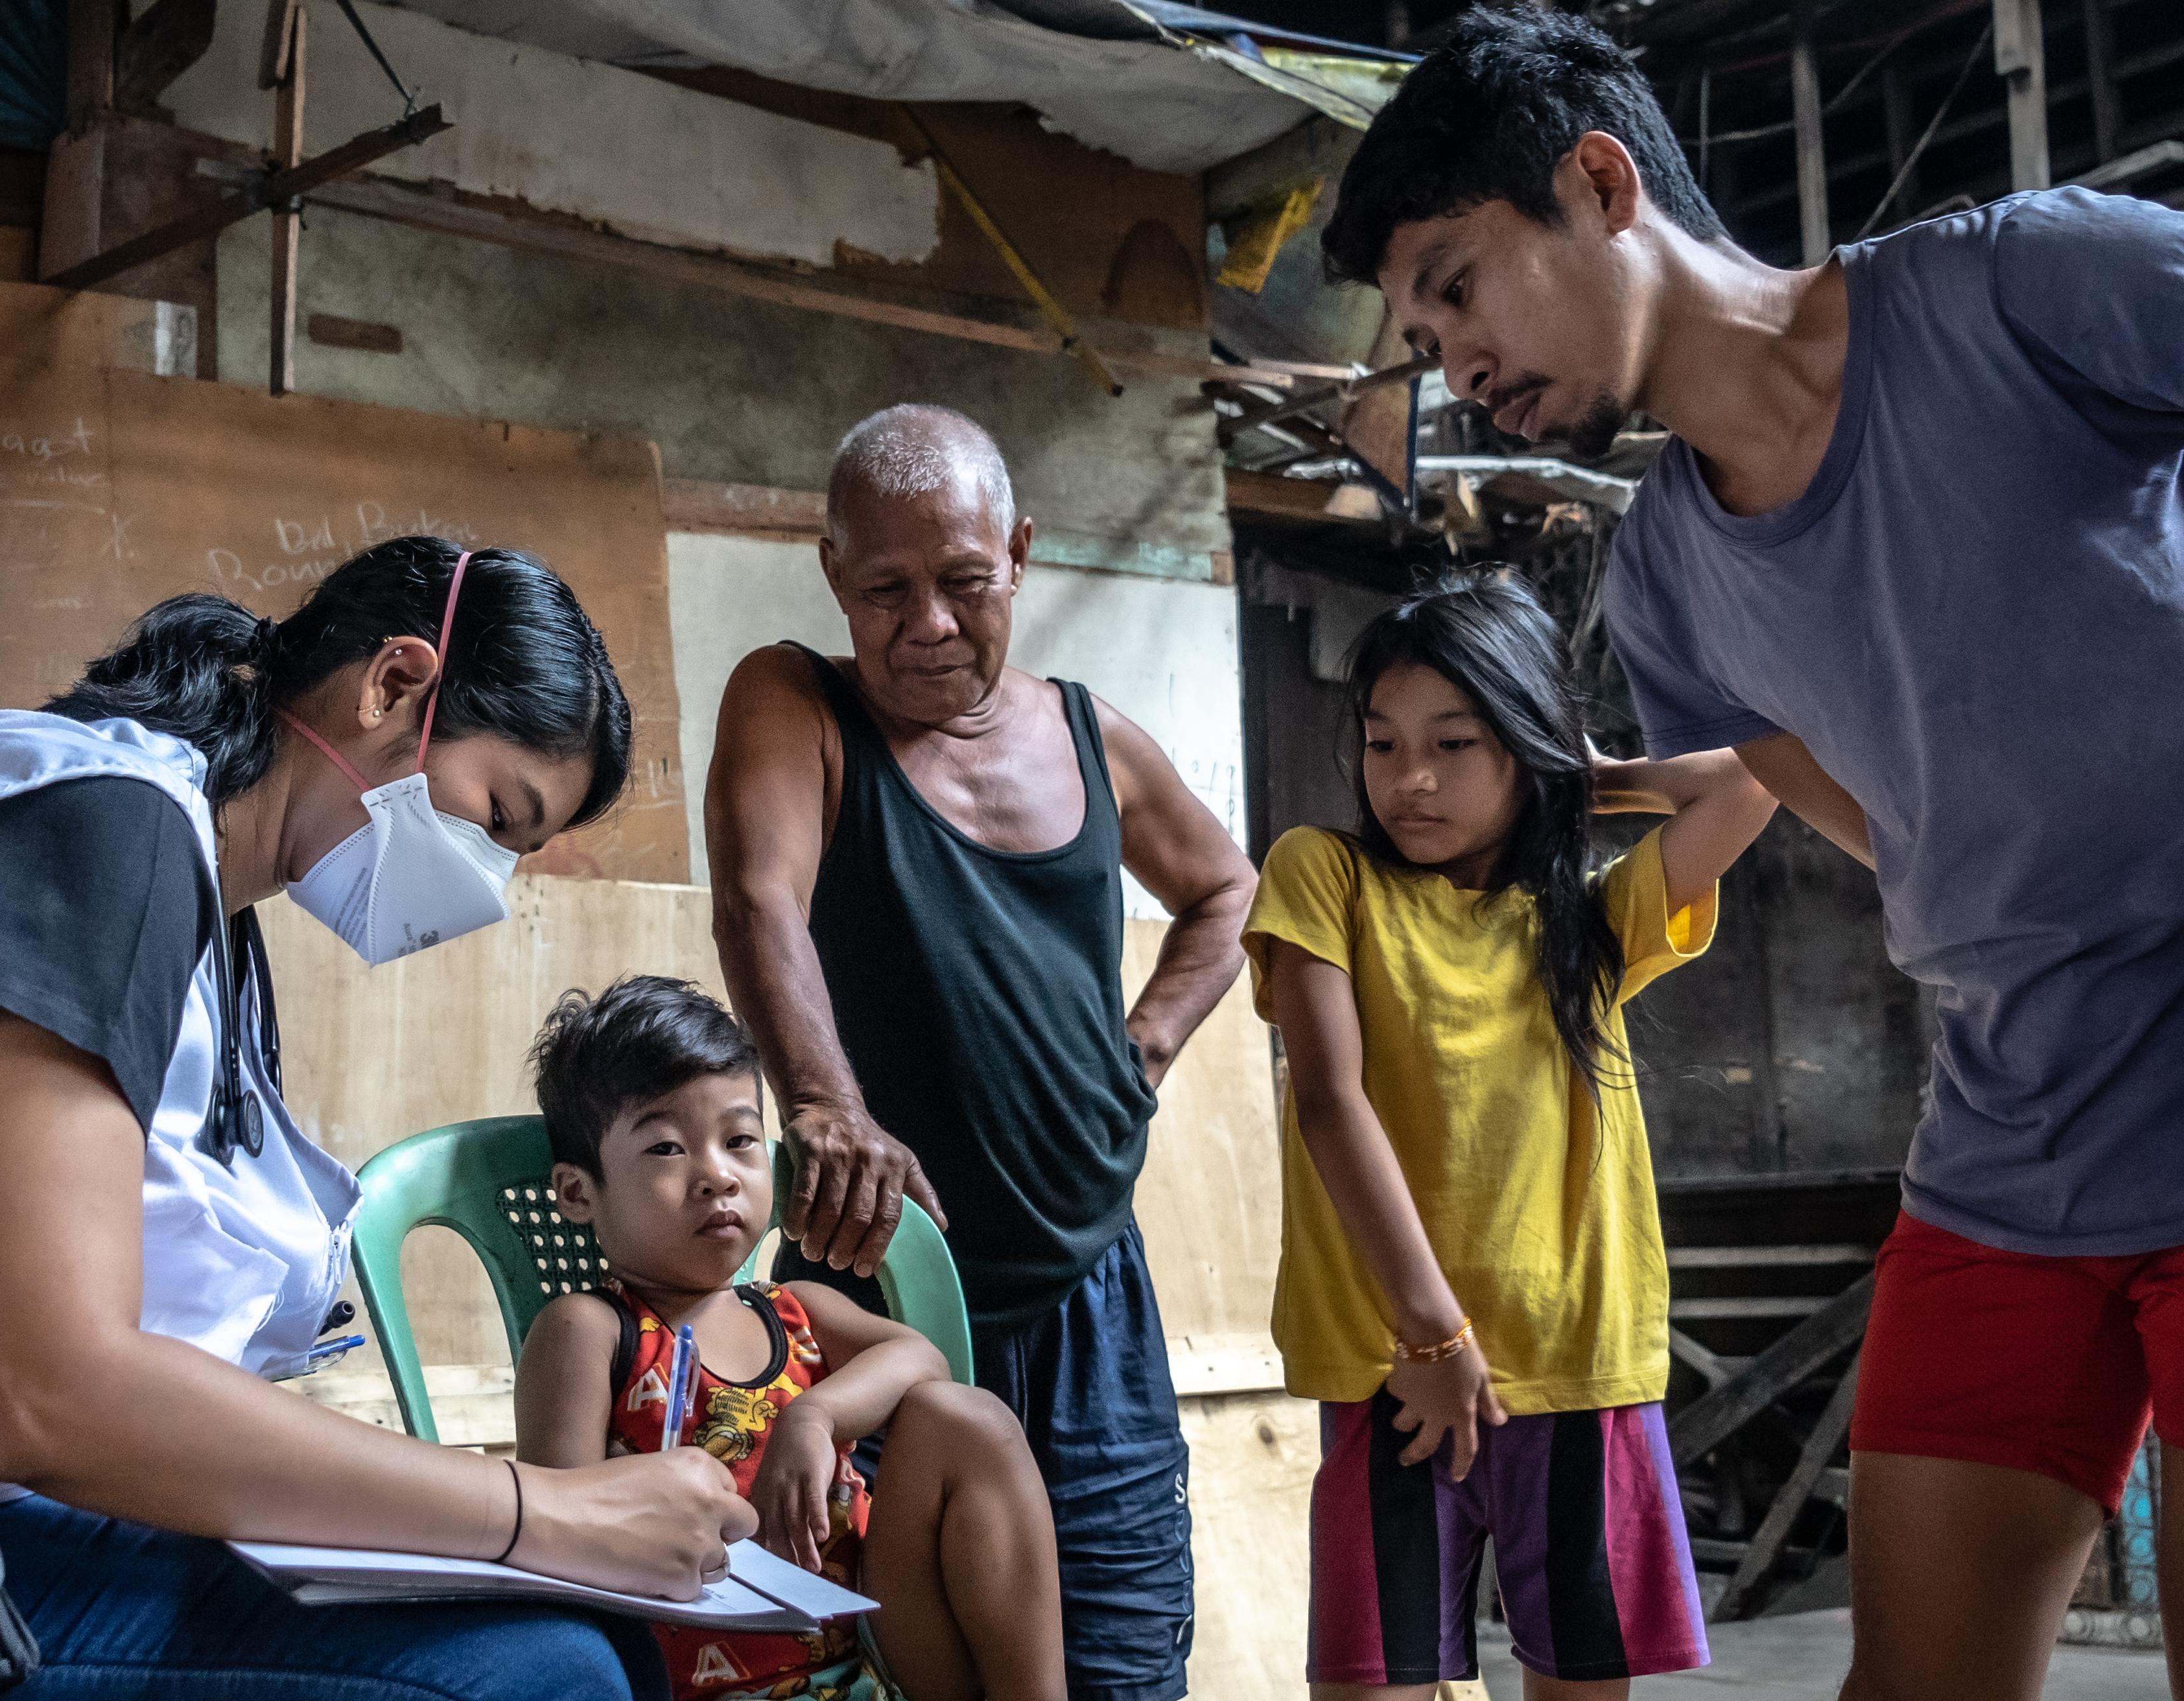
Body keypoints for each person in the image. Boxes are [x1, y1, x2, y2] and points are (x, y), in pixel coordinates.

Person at [1322, 10, 2184, 1700]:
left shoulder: (2010, 288)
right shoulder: (1666, 590)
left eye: (1460, 282)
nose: (1450, 358)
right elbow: (1887, 822)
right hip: (2015, 1138)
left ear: (1600, 180)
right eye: (1421, 330)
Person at [0, 537, 755, 1700]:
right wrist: (540, 1507)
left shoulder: (198, 896)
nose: (483, 883)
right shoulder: (96, 830)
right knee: (536, 1672)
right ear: (394, 686)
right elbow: (44, 1387)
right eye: (493, 816)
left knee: (593, 1632)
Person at [706, 404, 1256, 1701]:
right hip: (879, 1309)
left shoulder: (1091, 734)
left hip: (1092, 1299)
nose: (930, 621)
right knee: (888, 1676)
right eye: (887, 588)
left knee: (1120, 1665)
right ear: (835, 573)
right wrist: (825, 1102)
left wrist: (1146, 1051)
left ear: (1019, 553)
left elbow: (1228, 893)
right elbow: (756, 898)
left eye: (962, 580)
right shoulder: (796, 701)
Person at [1244, 576, 1775, 1698]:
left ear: (1523, 746)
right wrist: (1434, 1338)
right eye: (1383, 742)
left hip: (1576, 1360)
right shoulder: (1323, 873)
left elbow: (1745, 778)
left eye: (1456, 742)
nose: (1409, 778)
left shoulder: (1585, 916)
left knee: (1579, 1681)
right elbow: (1332, 1100)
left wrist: (1573, 776)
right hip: (1394, 1366)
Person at [515, 974, 1068, 1701]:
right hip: (685, 1679)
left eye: (739, 1139)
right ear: (579, 1192)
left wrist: (814, 1415)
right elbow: (555, 1543)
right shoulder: (591, 1330)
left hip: (872, 1657)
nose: (717, 1175)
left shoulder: (794, 1310)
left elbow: (922, 1358)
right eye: (666, 1149)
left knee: (967, 1419)